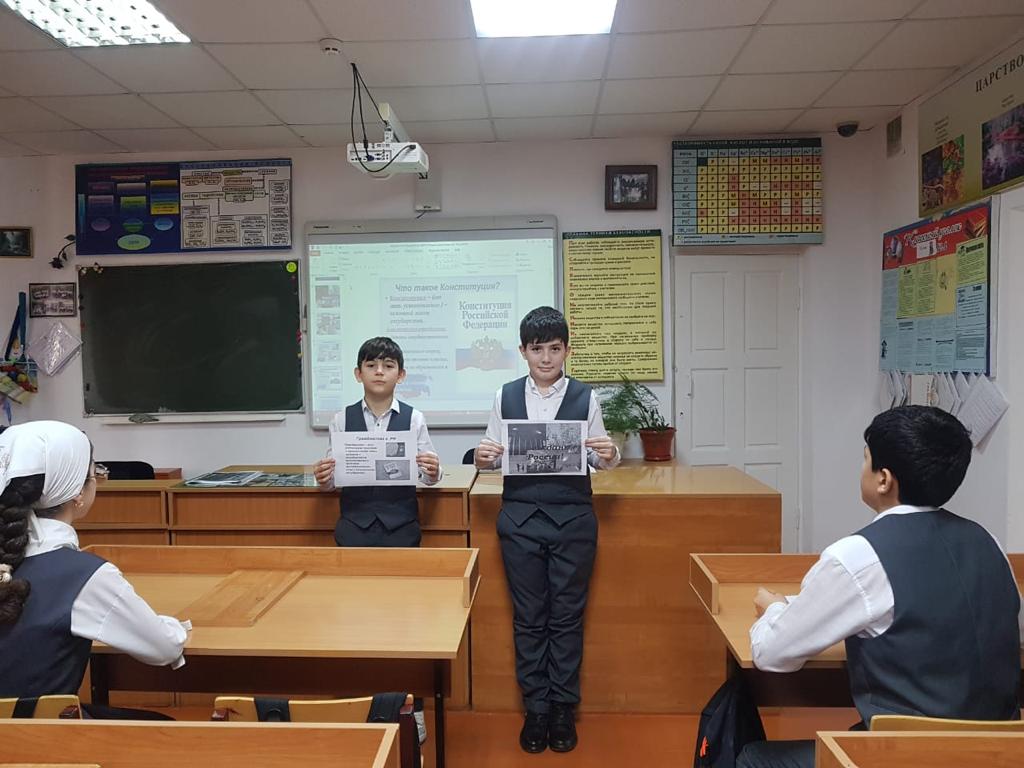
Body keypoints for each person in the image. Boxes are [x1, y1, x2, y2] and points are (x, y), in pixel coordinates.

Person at [737, 406, 1023, 768]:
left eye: (865, 459)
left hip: (904, 757)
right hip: (1002, 755)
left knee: (752, 758)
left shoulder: (859, 556)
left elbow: (771, 653)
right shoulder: (988, 543)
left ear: (884, 479)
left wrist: (777, 608)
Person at [474, 306, 620, 754]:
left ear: (566, 351)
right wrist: (483, 457)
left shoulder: (585, 397)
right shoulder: (504, 396)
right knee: (529, 618)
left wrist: (609, 454)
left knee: (567, 618)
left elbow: (598, 457)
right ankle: (535, 707)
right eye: (537, 349)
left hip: (573, 520)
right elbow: (492, 454)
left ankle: (562, 708)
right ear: (523, 351)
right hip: (520, 521)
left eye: (554, 349)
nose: (545, 358)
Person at [0, 420, 189, 710]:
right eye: (94, 474)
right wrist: (175, 627)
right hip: (40, 735)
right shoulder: (82, 576)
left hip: (17, 731)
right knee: (162, 728)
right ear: (78, 493)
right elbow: (164, 647)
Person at [313, 336, 441, 547]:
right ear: (358, 374)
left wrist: (433, 471)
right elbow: (332, 482)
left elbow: (428, 477)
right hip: (354, 525)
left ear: (401, 375)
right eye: (371, 365)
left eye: (388, 366)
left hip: (402, 525)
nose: (379, 371)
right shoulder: (341, 419)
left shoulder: (414, 418)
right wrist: (324, 478)